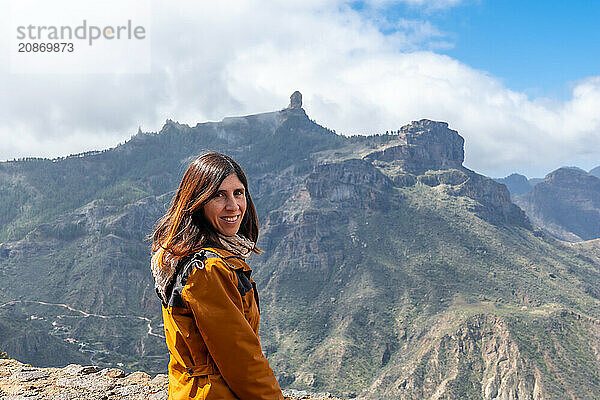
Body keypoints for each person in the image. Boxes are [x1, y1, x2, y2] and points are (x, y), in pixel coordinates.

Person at [151, 152, 284, 400]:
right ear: (197, 202)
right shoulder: (208, 270)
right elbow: (242, 362)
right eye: (218, 195)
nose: (233, 206)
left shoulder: (193, 258)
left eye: (238, 193)